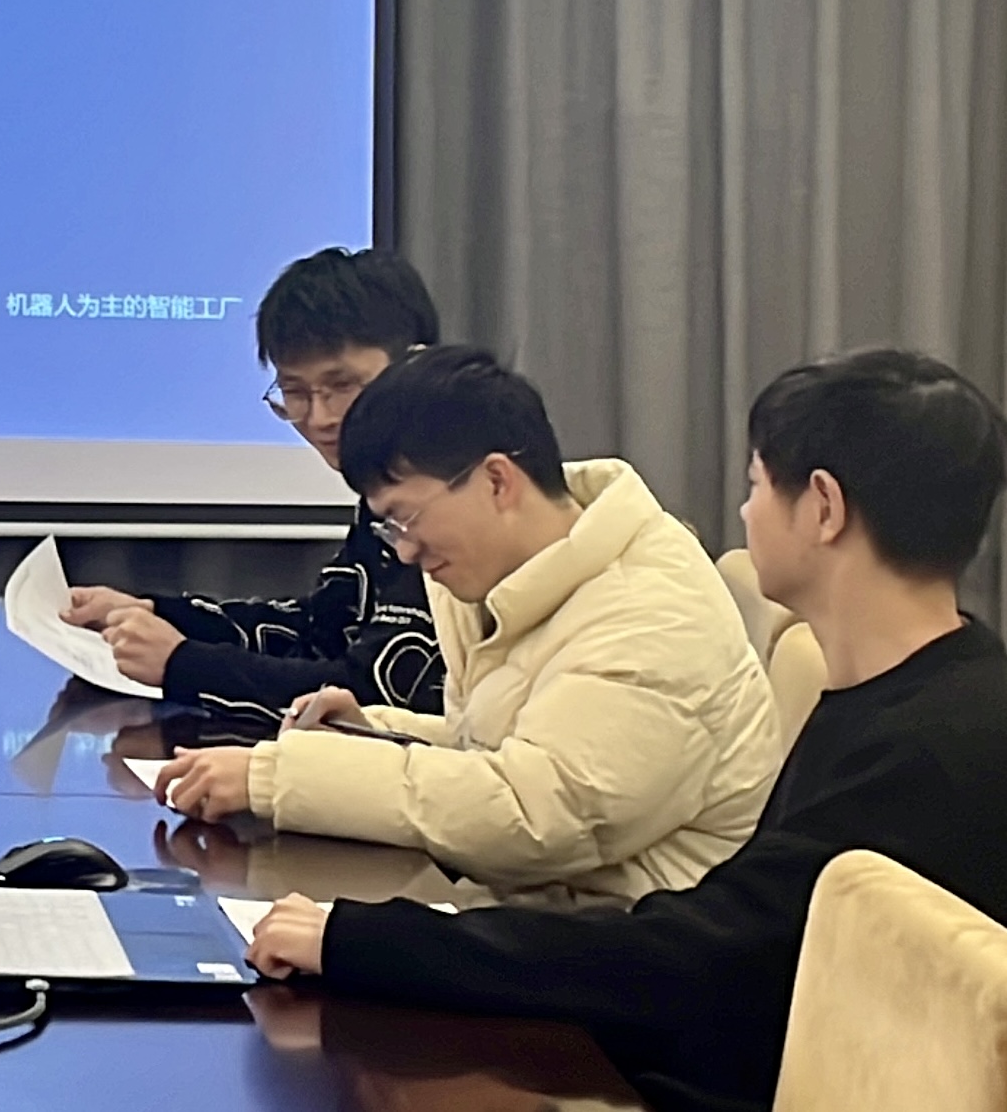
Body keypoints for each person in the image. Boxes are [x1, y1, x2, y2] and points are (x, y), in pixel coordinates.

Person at [246, 349, 1007, 1112]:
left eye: (755, 485)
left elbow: (700, 960)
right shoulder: (910, 694)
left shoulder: (933, 750)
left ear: (823, 508)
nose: (744, 515)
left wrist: (365, 943)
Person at [155, 345, 779, 904]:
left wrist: (280, 778)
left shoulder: (649, 617)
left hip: (622, 958)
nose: (404, 551)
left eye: (405, 518)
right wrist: (375, 732)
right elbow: (500, 748)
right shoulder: (518, 572)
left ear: (497, 480)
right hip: (537, 918)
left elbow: (534, 817)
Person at [62, 247, 449, 720]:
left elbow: (374, 691)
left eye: (343, 386)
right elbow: (320, 630)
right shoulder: (384, 484)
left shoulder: (450, 494)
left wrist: (183, 664)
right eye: (296, 392)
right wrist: (156, 615)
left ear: (414, 366)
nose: (320, 417)